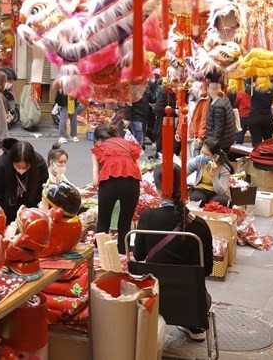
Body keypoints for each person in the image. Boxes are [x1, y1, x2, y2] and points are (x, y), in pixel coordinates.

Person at [132, 163, 213, 342]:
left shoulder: (146, 217)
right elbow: (207, 270)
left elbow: (138, 256)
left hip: (152, 300)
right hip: (193, 305)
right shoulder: (199, 225)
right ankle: (193, 325)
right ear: (183, 187)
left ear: (158, 189)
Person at [91, 124, 142, 242]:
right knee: (125, 224)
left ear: (98, 139)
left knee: (103, 224)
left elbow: (95, 181)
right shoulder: (130, 145)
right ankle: (124, 255)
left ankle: (101, 256)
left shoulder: (99, 149)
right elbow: (138, 170)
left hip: (109, 185)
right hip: (132, 184)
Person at [0, 139, 49, 223]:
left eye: (26, 167)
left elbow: (42, 191)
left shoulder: (39, 164)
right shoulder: (2, 166)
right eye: (18, 166)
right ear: (11, 162)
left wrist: (31, 211)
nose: (22, 170)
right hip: (7, 209)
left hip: (31, 212)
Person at [186, 138, 232, 206]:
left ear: (215, 156)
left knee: (222, 202)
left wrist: (214, 176)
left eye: (206, 155)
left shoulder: (224, 168)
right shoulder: (199, 161)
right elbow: (185, 172)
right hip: (200, 189)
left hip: (215, 193)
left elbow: (221, 192)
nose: (203, 156)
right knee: (196, 199)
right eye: (202, 152)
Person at [177, 81, 209, 158]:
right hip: (186, 134)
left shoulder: (204, 101)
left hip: (195, 135)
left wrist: (200, 136)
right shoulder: (186, 99)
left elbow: (203, 120)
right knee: (187, 160)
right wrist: (179, 132)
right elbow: (182, 117)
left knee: (195, 160)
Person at [205, 82, 238, 155]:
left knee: (217, 163)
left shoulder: (218, 106)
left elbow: (219, 128)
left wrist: (213, 145)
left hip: (221, 143)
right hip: (226, 140)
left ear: (212, 89)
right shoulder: (224, 99)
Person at [248, 80, 273, 147]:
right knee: (269, 143)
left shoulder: (253, 89)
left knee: (256, 143)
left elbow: (245, 84)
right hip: (268, 118)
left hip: (255, 117)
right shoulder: (272, 88)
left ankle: (257, 156)